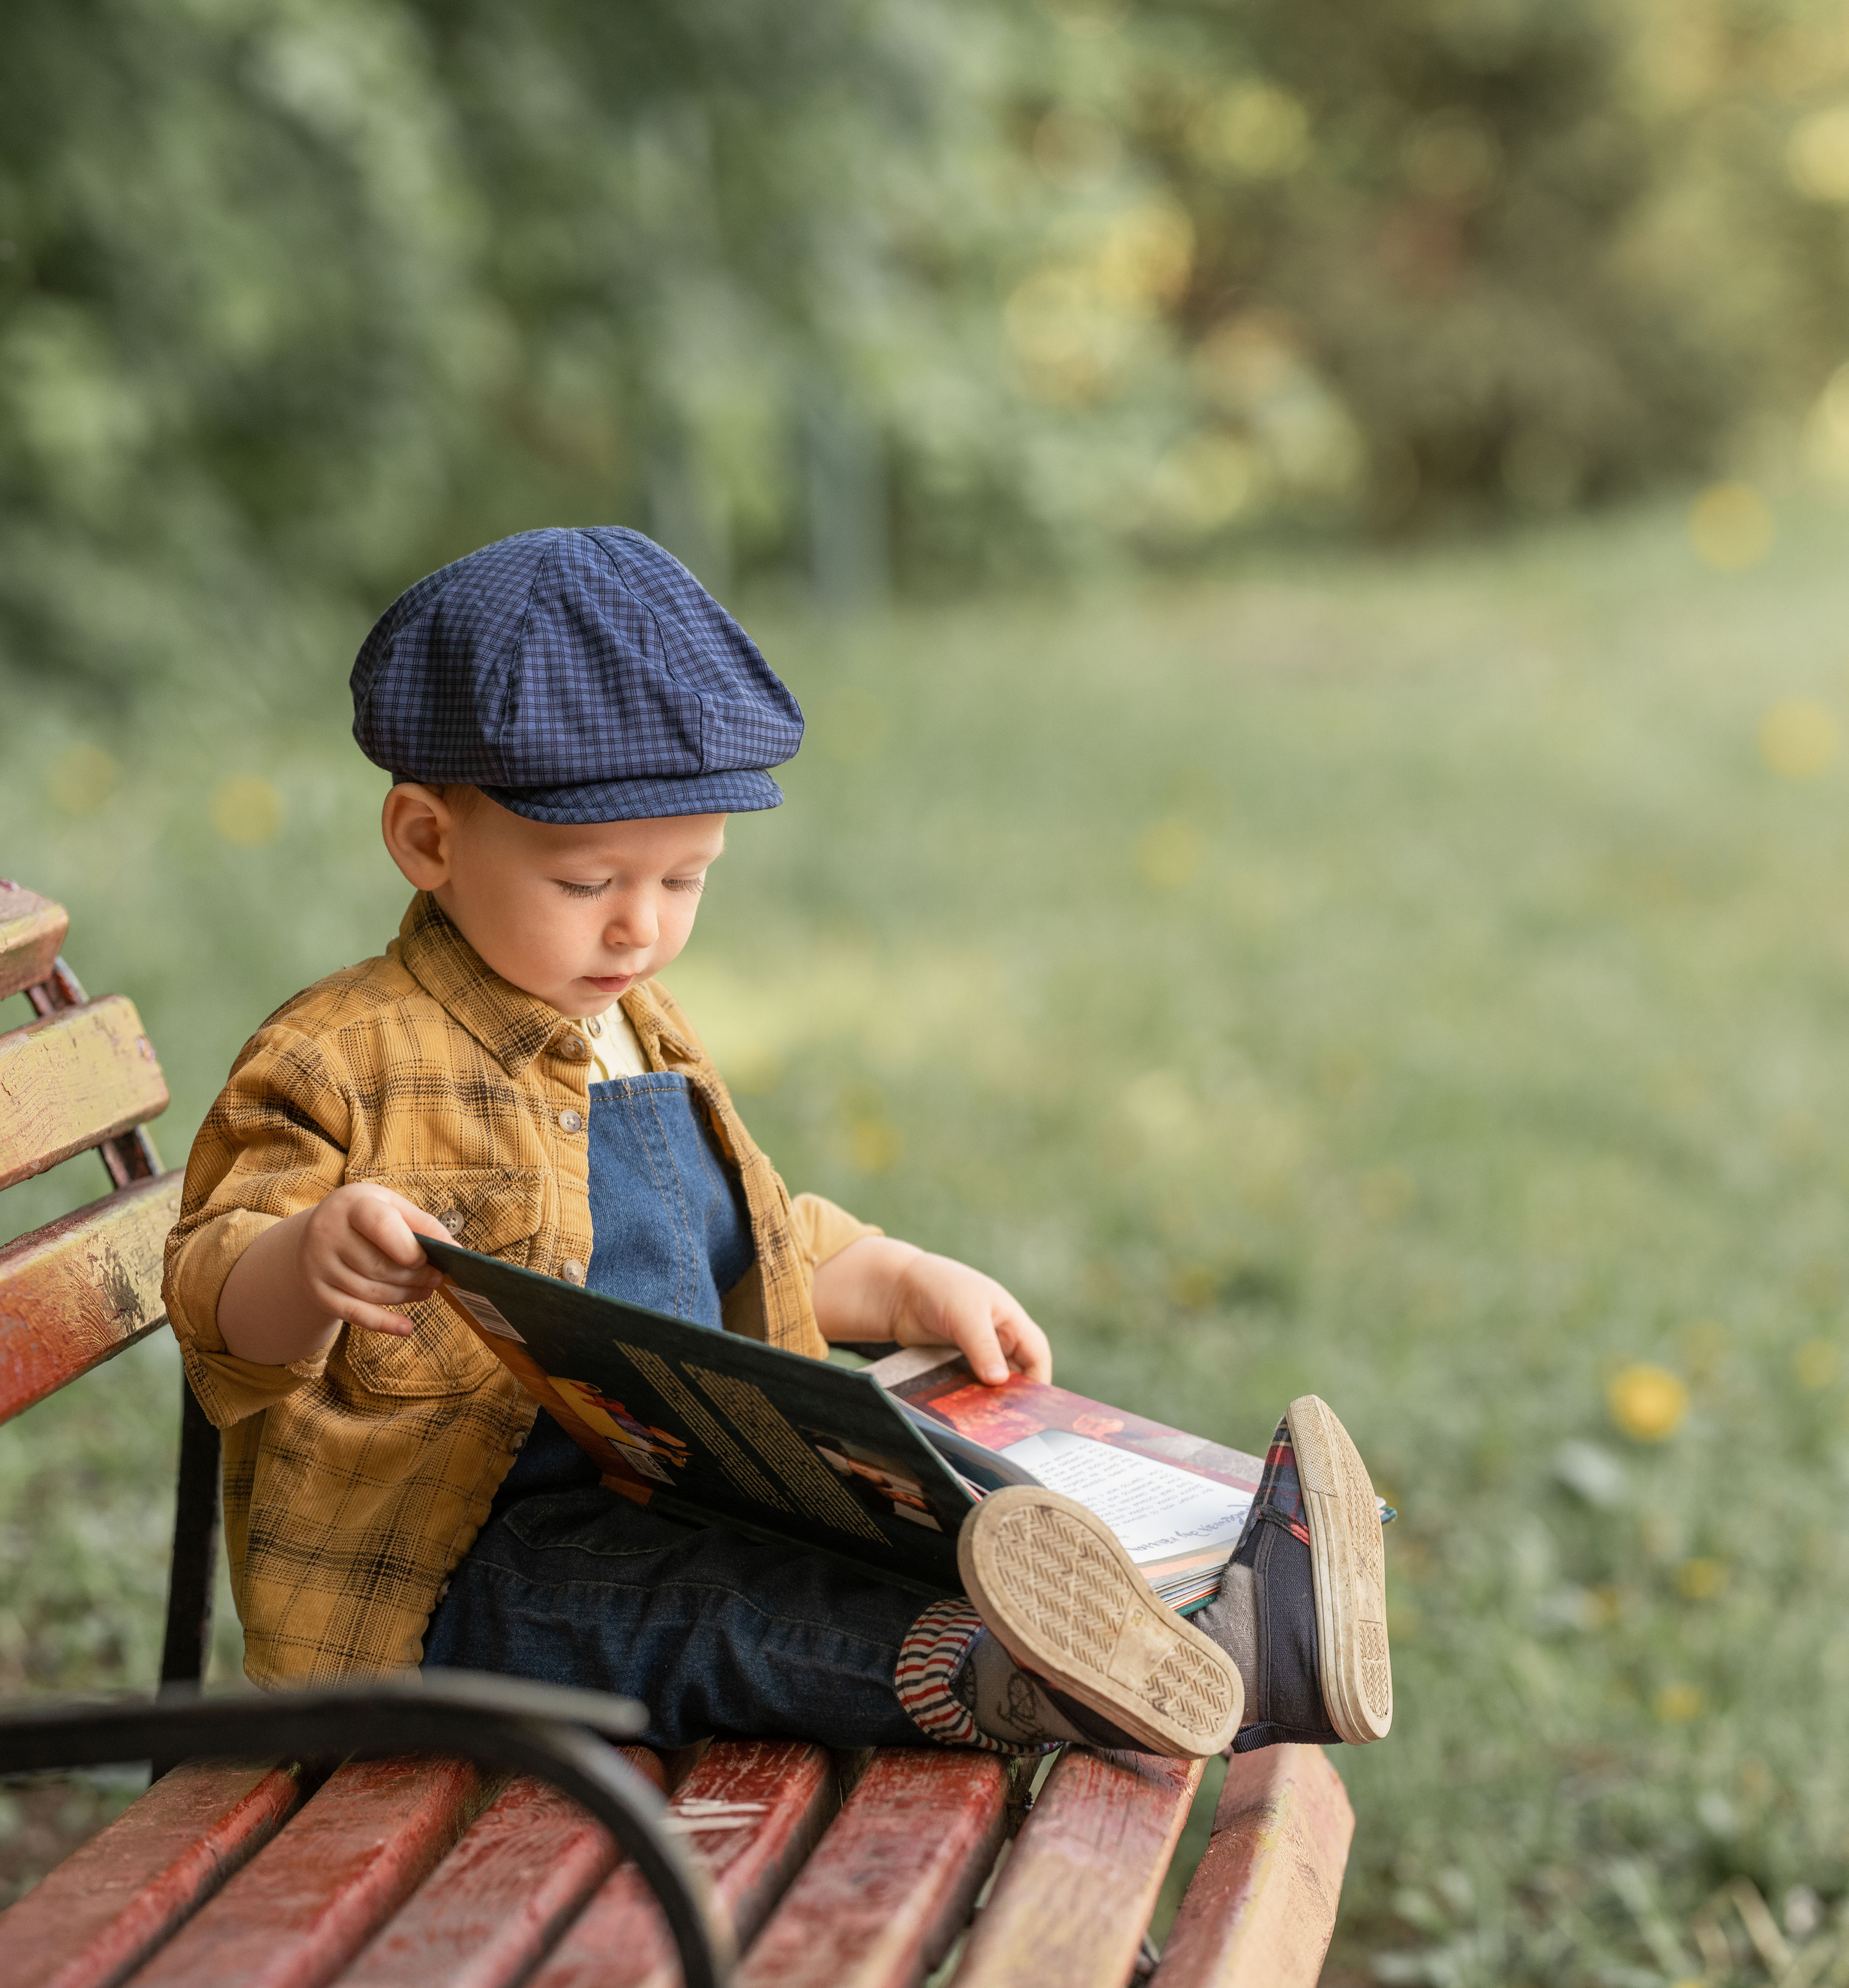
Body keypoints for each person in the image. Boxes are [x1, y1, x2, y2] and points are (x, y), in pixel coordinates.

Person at [162, 526, 1392, 1759]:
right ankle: (1065, 1680)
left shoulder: (636, 1027)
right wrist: (308, 1262)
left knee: (935, 1517)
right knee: (714, 1616)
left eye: (686, 880)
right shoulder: (339, 1056)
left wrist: (901, 1280)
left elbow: (736, 1235)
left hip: (671, 1497)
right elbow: (217, 1301)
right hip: (460, 1584)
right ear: (429, 840)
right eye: (590, 884)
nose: (639, 929)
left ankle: (1217, 1611)